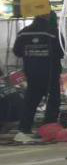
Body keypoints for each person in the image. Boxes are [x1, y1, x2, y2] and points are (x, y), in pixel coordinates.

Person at [12, 12, 64, 143]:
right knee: (53, 101)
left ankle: (24, 130)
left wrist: (31, 54)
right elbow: (61, 52)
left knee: (30, 102)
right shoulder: (53, 32)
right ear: (48, 17)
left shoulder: (24, 32)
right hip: (50, 74)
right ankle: (47, 130)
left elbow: (17, 51)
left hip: (32, 73)